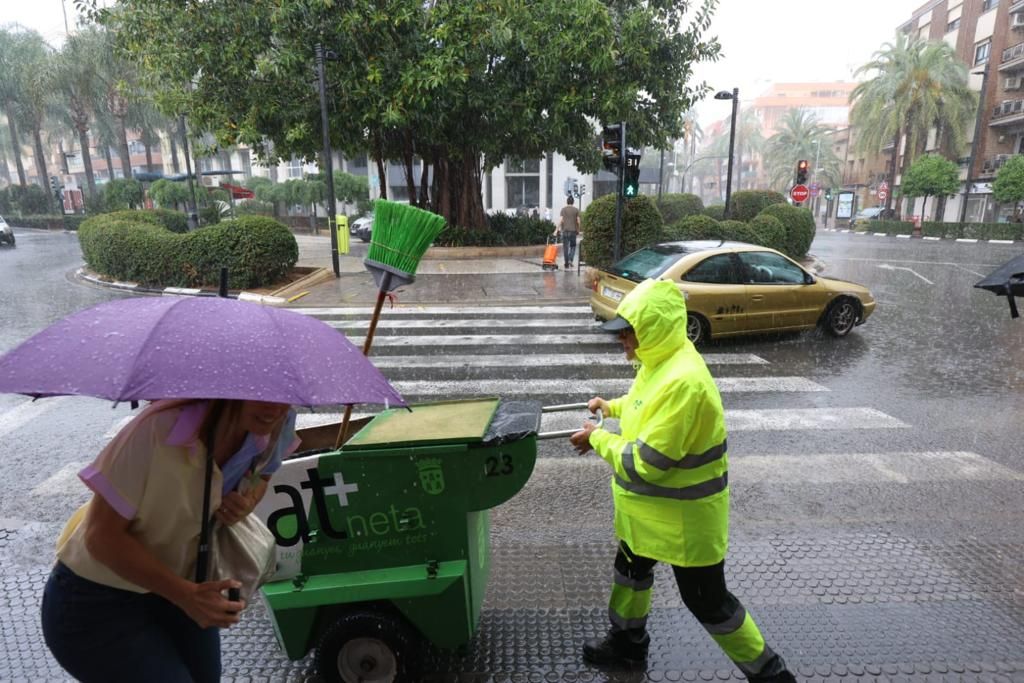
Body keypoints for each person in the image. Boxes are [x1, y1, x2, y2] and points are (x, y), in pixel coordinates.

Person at [569, 279, 795, 681]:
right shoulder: (661, 360)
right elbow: (643, 405)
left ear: (652, 330)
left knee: (710, 604)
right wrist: (611, 406)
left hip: (685, 522)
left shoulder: (684, 381)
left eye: (627, 331)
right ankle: (627, 644)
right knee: (630, 573)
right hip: (649, 514)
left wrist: (598, 437)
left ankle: (771, 675)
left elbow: (647, 462)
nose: (621, 339)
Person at [41, 398, 299, 683]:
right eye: (260, 392)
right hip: (96, 601)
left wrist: (247, 502)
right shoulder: (156, 430)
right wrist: (185, 596)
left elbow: (263, 475)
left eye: (283, 394)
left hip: (182, 584)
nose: (274, 408)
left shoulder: (278, 424)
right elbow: (101, 536)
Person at [555, 195, 581, 269]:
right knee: (573, 246)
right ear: (573, 202)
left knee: (565, 248)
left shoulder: (563, 209)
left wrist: (556, 229)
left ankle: (566, 263)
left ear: (567, 202)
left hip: (565, 231)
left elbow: (561, 220)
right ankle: (570, 260)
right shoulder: (576, 210)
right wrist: (578, 229)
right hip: (573, 231)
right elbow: (578, 221)